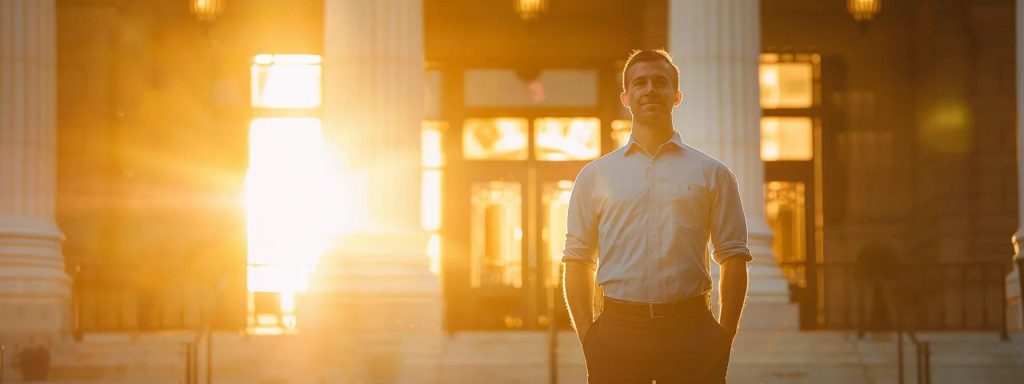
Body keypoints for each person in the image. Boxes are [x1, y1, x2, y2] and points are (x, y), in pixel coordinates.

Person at [562, 49, 753, 384]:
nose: (649, 89)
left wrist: (724, 337)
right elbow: (577, 259)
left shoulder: (713, 174)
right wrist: (589, 338)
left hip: (691, 331)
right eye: (639, 83)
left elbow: (733, 257)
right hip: (617, 332)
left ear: (676, 96)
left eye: (660, 82)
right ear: (626, 97)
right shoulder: (594, 176)